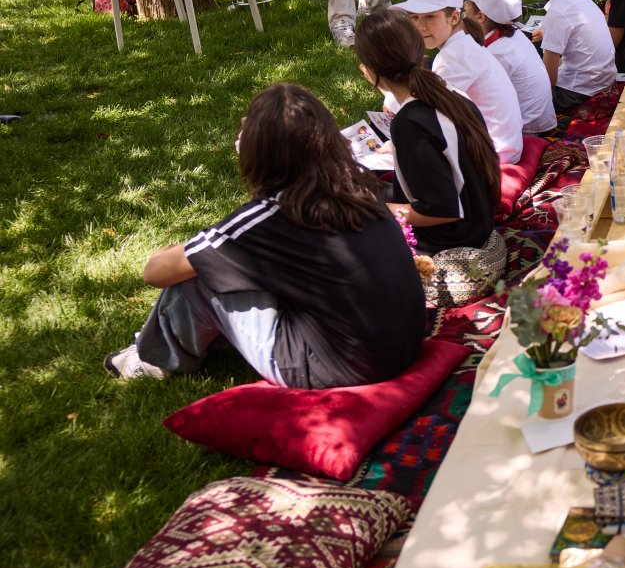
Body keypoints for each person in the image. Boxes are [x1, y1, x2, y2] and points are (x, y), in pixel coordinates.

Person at [104, 83, 426, 387]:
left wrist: (173, 251)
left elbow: (156, 272)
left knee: (203, 276)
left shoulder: (271, 216)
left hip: (338, 367)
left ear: (259, 152)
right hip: (405, 344)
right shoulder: (359, 187)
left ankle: (149, 359)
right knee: (222, 262)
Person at [355, 10, 505, 306]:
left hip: (454, 236)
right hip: (476, 216)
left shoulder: (410, 122)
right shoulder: (449, 92)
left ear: (369, 70)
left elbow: (443, 210)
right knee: (358, 186)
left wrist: (381, 211)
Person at [392, 0, 524, 164]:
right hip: (501, 146)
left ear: (454, 17)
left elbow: (422, 114)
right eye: (414, 17)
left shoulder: (454, 58)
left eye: (430, 17)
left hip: (494, 156)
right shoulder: (460, 47)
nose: (420, 26)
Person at [453, 0, 556, 137]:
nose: (463, 5)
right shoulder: (511, 34)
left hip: (527, 131)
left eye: (467, 3)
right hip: (537, 121)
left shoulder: (497, 54)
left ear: (480, 17)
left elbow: (472, 100)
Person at [528, 0, 619, 110]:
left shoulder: (557, 13)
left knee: (520, 92)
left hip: (577, 93)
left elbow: (550, 78)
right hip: (601, 83)